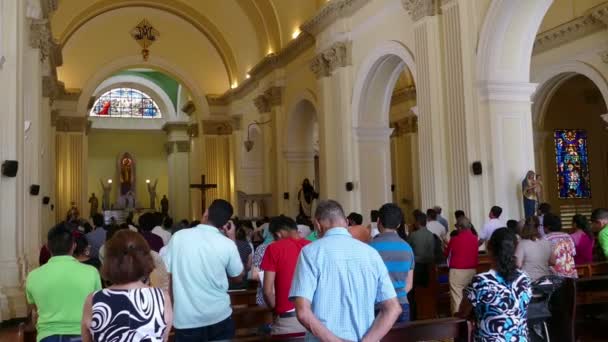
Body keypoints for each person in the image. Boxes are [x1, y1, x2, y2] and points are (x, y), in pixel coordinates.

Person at [289, 200, 401, 341]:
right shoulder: (371, 253)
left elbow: (303, 312)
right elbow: (393, 308)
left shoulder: (310, 253)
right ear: (347, 222)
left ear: (317, 224)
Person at [163, 199, 244, 342]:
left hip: (187, 318)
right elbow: (238, 277)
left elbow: (166, 275)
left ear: (206, 212)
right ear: (226, 223)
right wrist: (232, 238)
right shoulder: (227, 244)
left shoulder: (178, 237)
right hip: (220, 315)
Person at [81, 230, 173, 342]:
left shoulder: (94, 299)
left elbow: (87, 339)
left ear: (109, 261)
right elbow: (164, 338)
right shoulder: (162, 298)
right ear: (146, 258)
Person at [26, 223, 102, 342]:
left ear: (47, 246)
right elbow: (97, 307)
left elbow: (35, 309)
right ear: (73, 246)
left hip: (47, 336)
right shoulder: (92, 272)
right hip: (82, 335)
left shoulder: (33, 276)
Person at [458, 228, 531, 341]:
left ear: (489, 249)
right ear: (515, 250)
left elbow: (463, 312)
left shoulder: (481, 281)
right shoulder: (524, 279)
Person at [260, 216, 310, 337]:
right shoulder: (311, 245)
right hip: (312, 318)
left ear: (278, 234)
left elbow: (267, 291)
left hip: (287, 321)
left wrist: (275, 310)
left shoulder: (273, 248)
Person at [370, 203, 415, 323]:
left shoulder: (370, 248)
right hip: (401, 304)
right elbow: (409, 284)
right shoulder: (407, 248)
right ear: (399, 224)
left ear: (378, 221)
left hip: (378, 306)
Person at [444, 217, 478, 314]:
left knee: (457, 298)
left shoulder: (454, 239)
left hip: (457, 272)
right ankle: (470, 320)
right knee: (470, 297)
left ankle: (458, 323)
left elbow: (447, 254)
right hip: (472, 271)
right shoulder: (475, 239)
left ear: (459, 227)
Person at [543, 214, 577, 278]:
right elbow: (573, 254)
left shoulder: (545, 239)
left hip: (554, 277)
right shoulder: (568, 236)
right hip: (570, 275)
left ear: (547, 227)